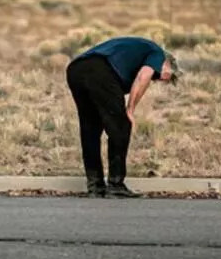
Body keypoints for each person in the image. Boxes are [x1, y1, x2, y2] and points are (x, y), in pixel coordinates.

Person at [66, 36, 181, 198]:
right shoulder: (157, 53)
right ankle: (115, 185)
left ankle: (95, 186)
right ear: (168, 63)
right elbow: (143, 77)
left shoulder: (135, 53)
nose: (160, 78)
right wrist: (130, 110)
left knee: (90, 129)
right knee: (121, 126)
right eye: (165, 75)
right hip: (100, 70)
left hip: (76, 69)